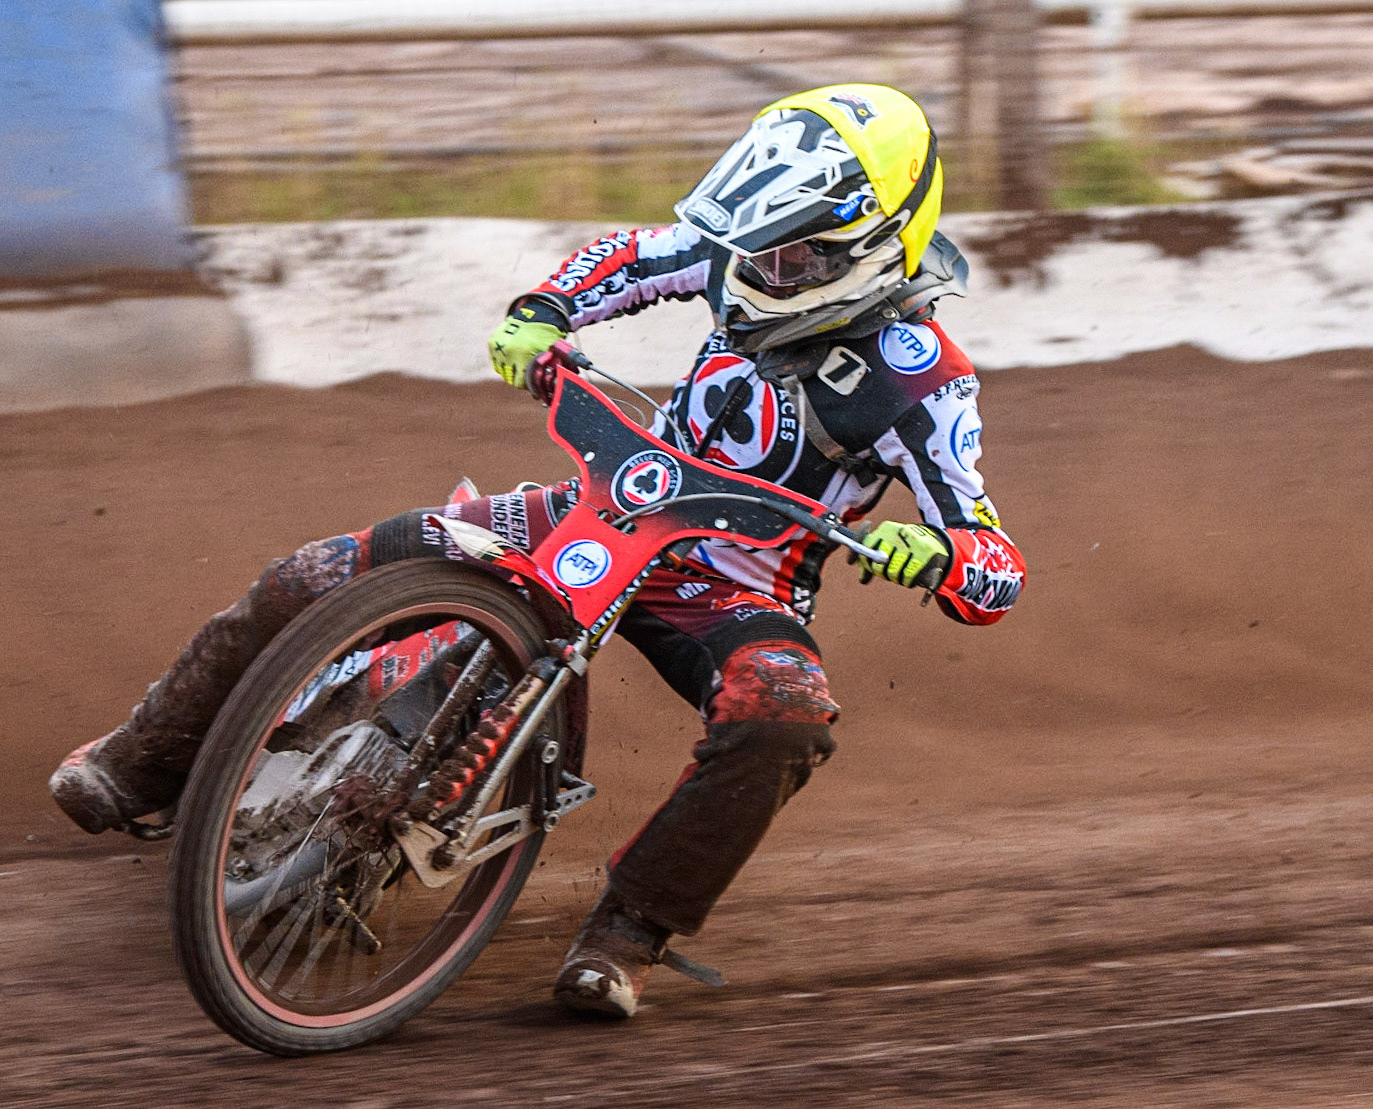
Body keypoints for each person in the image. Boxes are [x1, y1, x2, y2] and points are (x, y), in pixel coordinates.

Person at [50, 83, 1025, 1019]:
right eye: (757, 249)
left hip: (734, 588)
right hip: (608, 507)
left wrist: (937, 555)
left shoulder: (925, 381)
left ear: (877, 249)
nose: (764, 272)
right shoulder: (739, 255)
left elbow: (995, 564)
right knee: (318, 573)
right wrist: (544, 311)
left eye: (797, 257)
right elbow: (628, 254)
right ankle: (143, 762)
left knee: (784, 715)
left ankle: (630, 930)